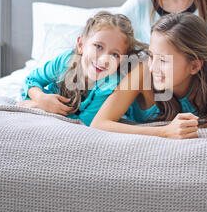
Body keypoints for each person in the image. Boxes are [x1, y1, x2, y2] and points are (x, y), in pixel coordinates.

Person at [18, 11, 147, 126]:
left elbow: (84, 123)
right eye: (98, 46)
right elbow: (31, 79)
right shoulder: (65, 61)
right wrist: (41, 98)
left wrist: (39, 106)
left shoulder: (109, 85)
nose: (104, 59)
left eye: (115, 54)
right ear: (81, 45)